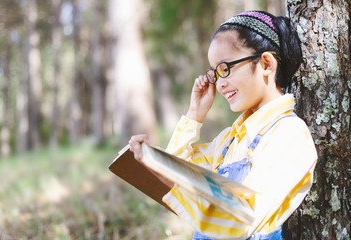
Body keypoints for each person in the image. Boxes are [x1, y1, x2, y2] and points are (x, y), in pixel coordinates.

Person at [129, 10, 317, 240]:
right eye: (215, 74)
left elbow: (245, 219)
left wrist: (176, 182)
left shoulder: (290, 135)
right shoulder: (229, 139)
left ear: (266, 63)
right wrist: (194, 115)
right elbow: (179, 171)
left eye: (225, 68)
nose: (220, 84)